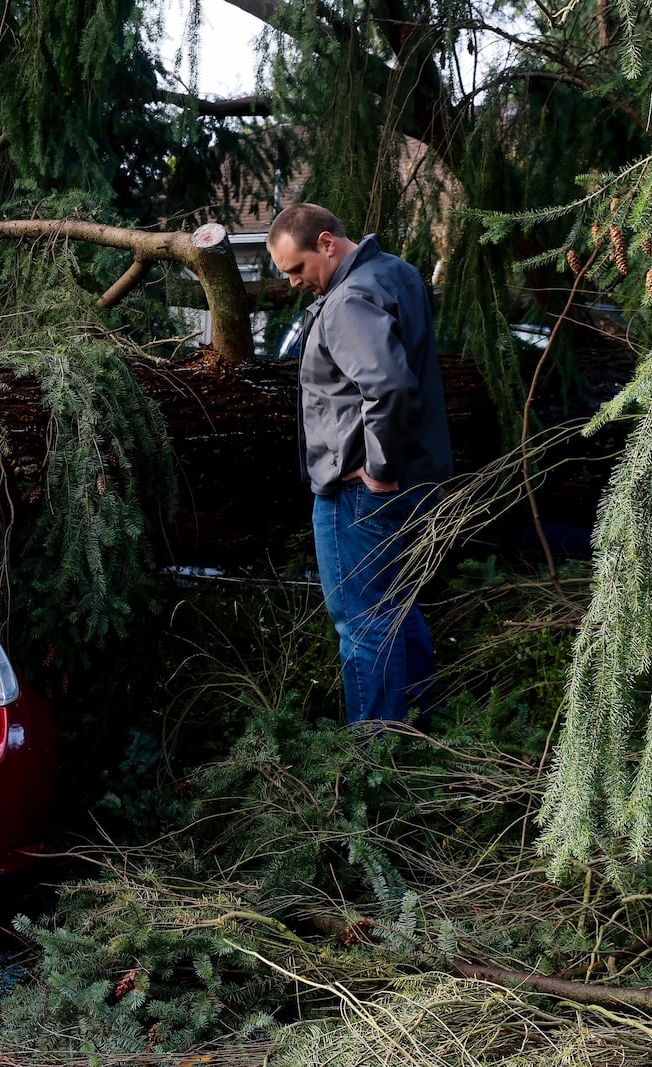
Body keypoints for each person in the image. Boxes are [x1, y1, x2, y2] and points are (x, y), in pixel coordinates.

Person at [265, 203, 452, 726]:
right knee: (394, 607)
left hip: (362, 491)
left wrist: (380, 470)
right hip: (416, 481)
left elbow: (389, 386)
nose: (295, 282)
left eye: (297, 269)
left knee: (362, 622)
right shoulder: (397, 272)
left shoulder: (348, 299)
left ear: (327, 243)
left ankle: (373, 761)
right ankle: (423, 726)